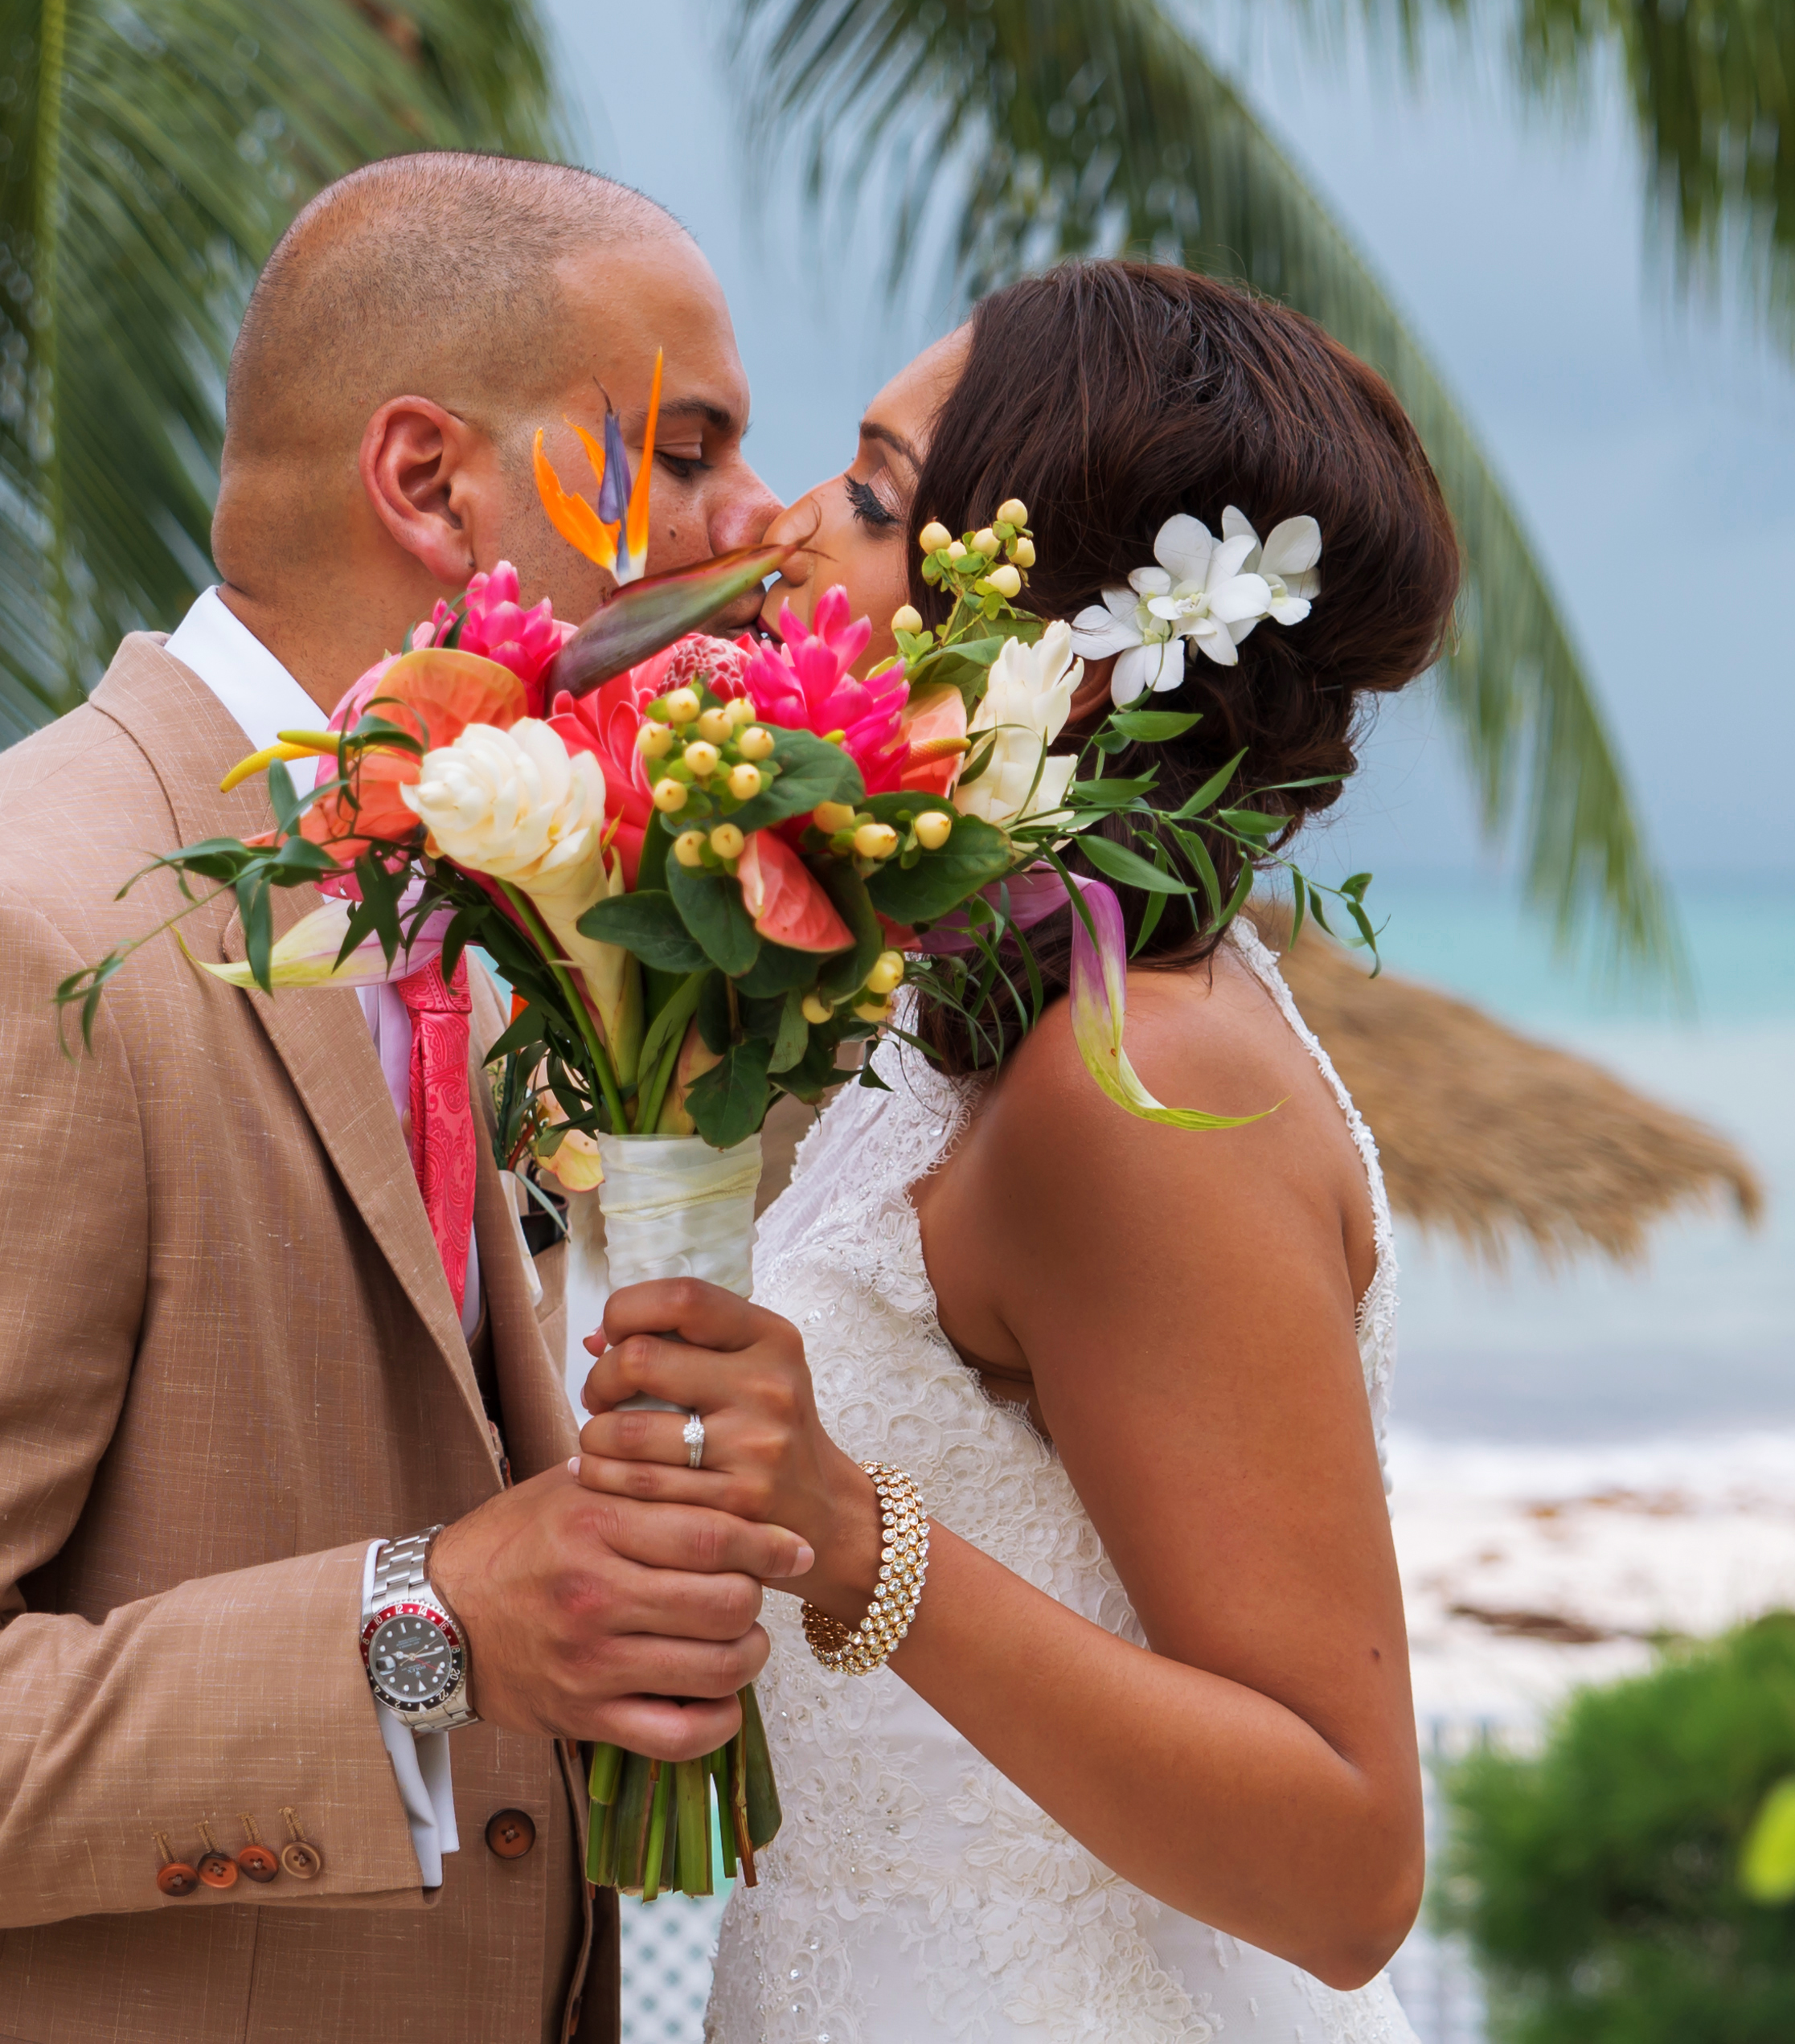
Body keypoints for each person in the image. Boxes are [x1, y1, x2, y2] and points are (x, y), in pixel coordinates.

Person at [0, 154, 804, 2044]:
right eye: (682, 453)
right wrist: (433, 1632)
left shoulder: (484, 908)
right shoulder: (0, 930)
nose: (752, 522)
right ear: (430, 483)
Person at [572, 260, 1458, 2043]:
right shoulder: (980, 1017)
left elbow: (1344, 1869)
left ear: (1043, 634)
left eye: (881, 499)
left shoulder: (1133, 1092)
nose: (797, 526)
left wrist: (843, 1533)